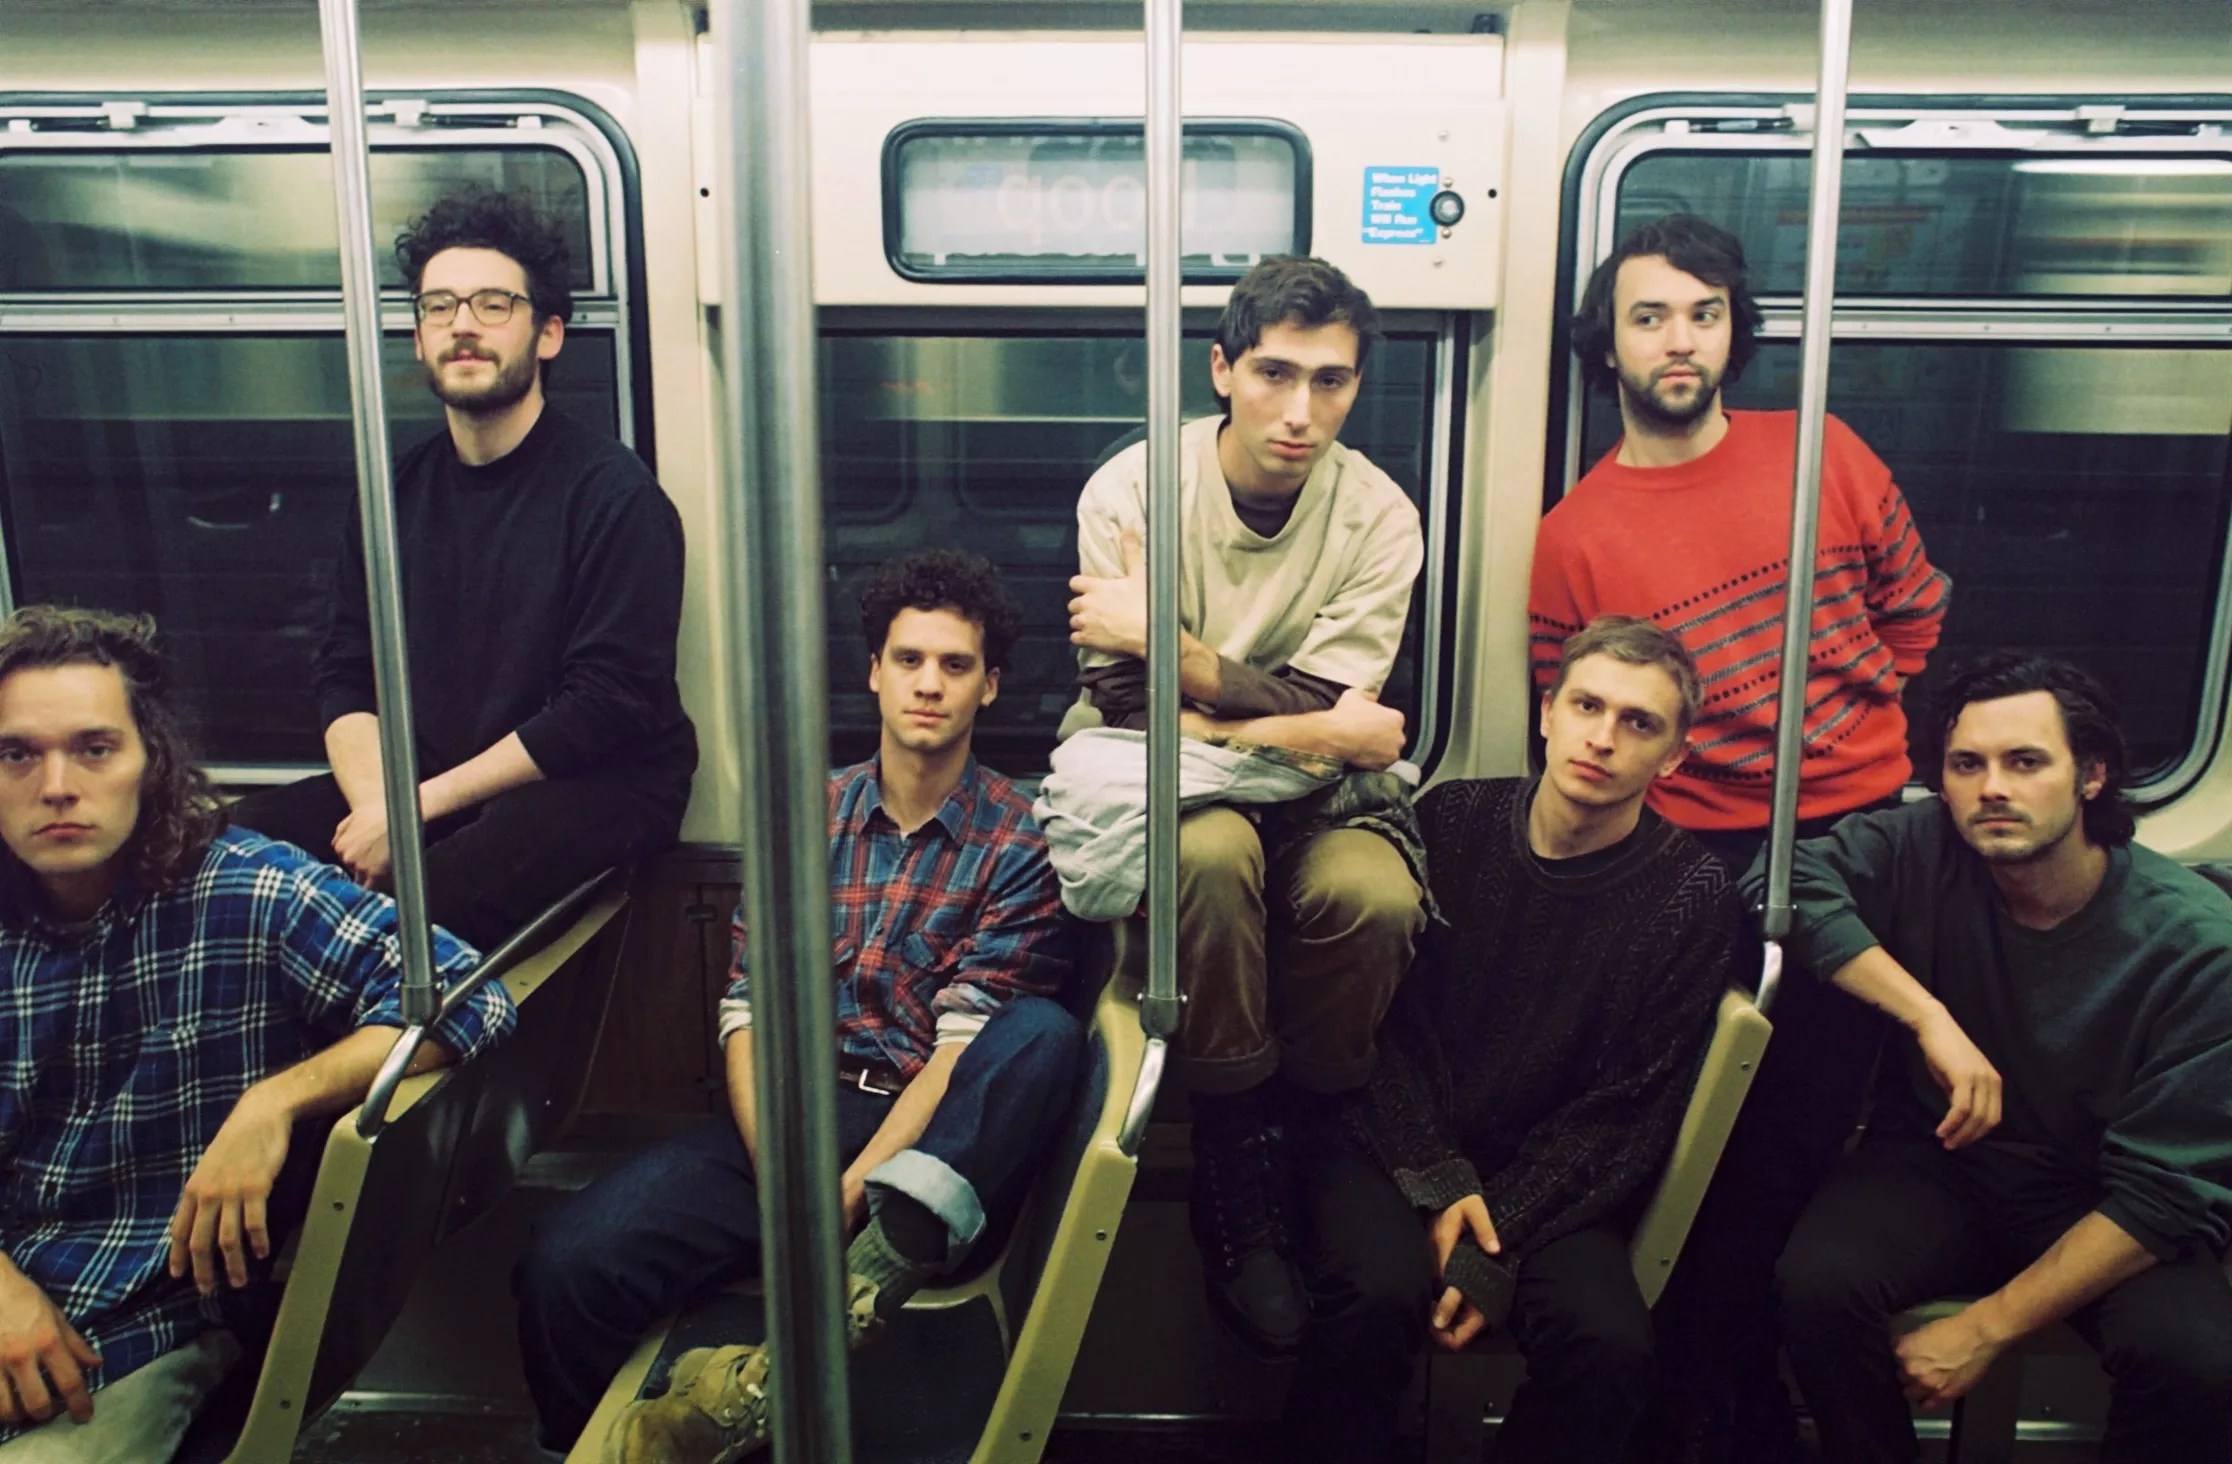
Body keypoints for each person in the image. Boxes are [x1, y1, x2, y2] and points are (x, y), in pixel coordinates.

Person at [513, 551, 1081, 1462]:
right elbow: (750, 1014)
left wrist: (850, 1196)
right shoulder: (804, 816)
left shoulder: (1021, 840)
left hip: (929, 1141)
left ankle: (769, 1376)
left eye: (955, 665)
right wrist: (788, 1182)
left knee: (1040, 1035)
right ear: (874, 672)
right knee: (567, 1265)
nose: (929, 684)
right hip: (792, 1121)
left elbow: (957, 1055)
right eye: (908, 659)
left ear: (990, 686)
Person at [1538, 215, 1951, 1464]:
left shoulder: (1824, 451)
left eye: (1703, 315)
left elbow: (1915, 614)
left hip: (1858, 841)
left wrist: (1836, 728)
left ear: (1733, 334)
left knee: (1798, 1152)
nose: (1680, 340)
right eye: (1650, 317)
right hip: (1699, 858)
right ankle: (1715, 1408)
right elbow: (1570, 718)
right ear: (1607, 346)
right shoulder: (1577, 533)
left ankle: (1728, 1407)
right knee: (1697, 1155)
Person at [0, 606, 515, 1463]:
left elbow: (468, 997)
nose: (56, 785)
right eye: (17, 754)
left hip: (134, 1326)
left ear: (150, 761)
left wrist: (273, 1102)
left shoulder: (244, 890)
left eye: (94, 749)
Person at [1064, 254, 1427, 1356]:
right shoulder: (1132, 491)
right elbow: (1126, 699)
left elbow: (1329, 710)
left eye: (1331, 381)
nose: (1300, 411)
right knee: (1215, 857)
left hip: (1314, 790)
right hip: (1167, 773)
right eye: (1275, 374)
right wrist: (1302, 722)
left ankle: (1316, 1130)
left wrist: (1185, 660)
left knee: (1376, 897)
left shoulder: (1379, 517)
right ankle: (1235, 1154)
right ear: (1222, 370)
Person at [1282, 617, 1742, 1462]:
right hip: (1395, 1145)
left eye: (1638, 723)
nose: (1602, 738)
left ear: (1674, 757)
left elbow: (1628, 1108)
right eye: (1587, 706)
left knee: (1609, 1352)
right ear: (1547, 712)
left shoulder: (1693, 894)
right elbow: (1382, 1029)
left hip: (1552, 1180)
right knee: (1374, 1298)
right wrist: (1438, 1181)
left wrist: (1497, 1237)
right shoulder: (1452, 818)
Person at [1762, 654, 2232, 1464]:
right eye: (1966, 765)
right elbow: (1784, 883)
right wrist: (1928, 1016)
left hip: (2101, 1191)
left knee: (2196, 1365)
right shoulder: (1924, 847)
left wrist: (1986, 1328)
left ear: (2091, 777)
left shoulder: (2197, 946)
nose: (1992, 790)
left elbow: (2165, 1196)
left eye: (2025, 762)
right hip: (1945, 1159)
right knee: (1815, 1289)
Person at [229, 190, 696, 950]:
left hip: (593, 782)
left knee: (421, 902)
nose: (463, 325)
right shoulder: (394, 494)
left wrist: (412, 815)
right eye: (440, 306)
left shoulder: (614, 496)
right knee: (235, 848)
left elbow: (605, 705)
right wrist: (380, 807)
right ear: (419, 338)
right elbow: (346, 669)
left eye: (493, 304)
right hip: (431, 780)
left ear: (547, 334)